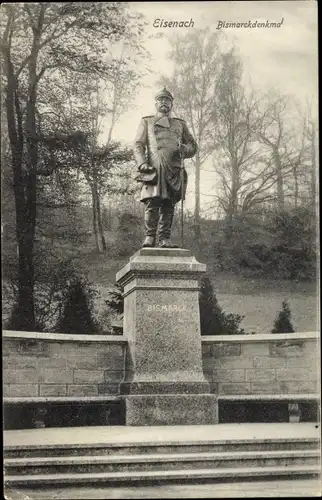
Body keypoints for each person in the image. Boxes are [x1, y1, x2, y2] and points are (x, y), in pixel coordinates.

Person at [133, 88, 197, 248]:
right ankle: (149, 237)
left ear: (171, 104)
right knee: (152, 202)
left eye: (167, 100)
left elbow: (192, 145)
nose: (164, 102)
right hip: (154, 168)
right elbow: (138, 144)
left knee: (169, 205)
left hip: (174, 169)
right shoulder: (146, 121)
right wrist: (141, 163)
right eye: (161, 100)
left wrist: (186, 149)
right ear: (155, 103)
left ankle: (164, 239)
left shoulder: (180, 124)